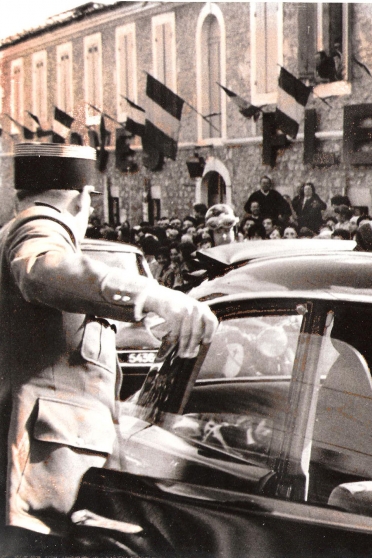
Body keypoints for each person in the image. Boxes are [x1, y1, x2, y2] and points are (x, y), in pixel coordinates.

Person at [0, 144, 217, 554]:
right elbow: (42, 270)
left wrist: (147, 326)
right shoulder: (39, 229)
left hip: (44, 486)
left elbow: (63, 346)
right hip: (40, 492)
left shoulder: (18, 230)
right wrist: (154, 295)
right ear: (82, 199)